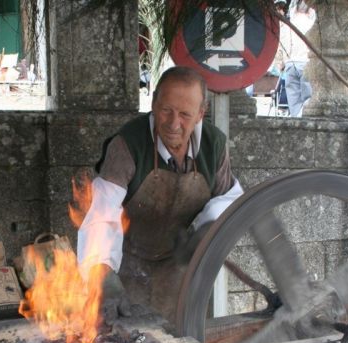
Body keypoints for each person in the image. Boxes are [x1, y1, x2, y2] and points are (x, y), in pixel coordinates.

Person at [77, 66, 243, 324]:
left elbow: (230, 198)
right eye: (166, 110)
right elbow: (102, 210)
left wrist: (208, 226)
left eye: (185, 114)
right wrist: (103, 275)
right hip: (126, 271)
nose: (174, 123)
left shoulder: (214, 146)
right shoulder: (128, 144)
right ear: (154, 103)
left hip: (181, 275)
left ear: (201, 113)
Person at [272, 0, 313, 117]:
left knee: (293, 100)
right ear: (310, 10)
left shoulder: (288, 25)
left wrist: (280, 65)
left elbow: (280, 47)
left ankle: (296, 119)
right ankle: (306, 122)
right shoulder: (311, 24)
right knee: (308, 98)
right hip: (306, 63)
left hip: (290, 64)